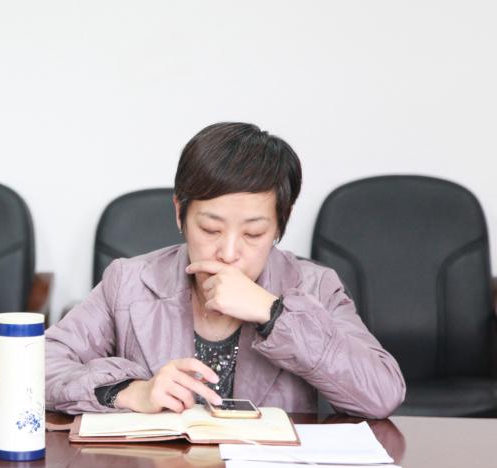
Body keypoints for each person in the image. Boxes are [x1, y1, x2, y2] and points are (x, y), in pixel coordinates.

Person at [46, 122, 405, 419]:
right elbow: (36, 365)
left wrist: (274, 313)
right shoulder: (128, 282)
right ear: (179, 213)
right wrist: (129, 391)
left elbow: (382, 394)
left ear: (281, 222)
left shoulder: (315, 286)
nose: (229, 253)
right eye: (210, 229)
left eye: (253, 233)